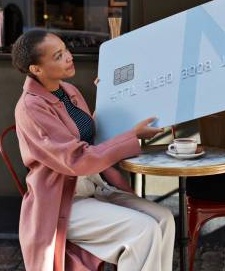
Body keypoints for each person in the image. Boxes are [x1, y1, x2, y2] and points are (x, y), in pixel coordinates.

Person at [12, 29, 175, 271]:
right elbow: (77, 159)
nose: (69, 56)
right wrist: (133, 136)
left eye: (65, 49)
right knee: (143, 230)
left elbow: (93, 134)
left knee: (164, 219)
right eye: (58, 56)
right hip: (63, 201)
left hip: (95, 187)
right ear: (36, 69)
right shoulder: (31, 108)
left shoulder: (68, 91)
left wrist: (111, 95)